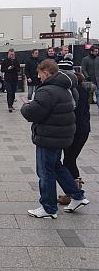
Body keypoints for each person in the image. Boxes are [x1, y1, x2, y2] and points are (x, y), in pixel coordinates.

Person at [20, 59, 89, 218]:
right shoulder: (66, 87)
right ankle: (78, 196)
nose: (39, 77)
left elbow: (33, 113)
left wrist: (25, 107)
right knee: (56, 166)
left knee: (45, 172)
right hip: (61, 134)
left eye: (39, 74)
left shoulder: (47, 90)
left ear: (46, 72)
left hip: (49, 136)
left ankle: (49, 208)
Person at [58, 72, 91, 205]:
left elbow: (76, 113)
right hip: (80, 131)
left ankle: (74, 192)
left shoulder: (77, 92)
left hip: (77, 131)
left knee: (69, 160)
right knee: (69, 160)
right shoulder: (80, 91)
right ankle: (74, 190)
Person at [81, 45, 99, 112]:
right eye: (95, 51)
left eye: (97, 51)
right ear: (91, 52)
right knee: (87, 97)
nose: (97, 52)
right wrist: (87, 76)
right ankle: (86, 110)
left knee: (98, 95)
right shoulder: (85, 59)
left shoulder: (98, 59)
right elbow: (83, 69)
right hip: (89, 81)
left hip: (97, 81)